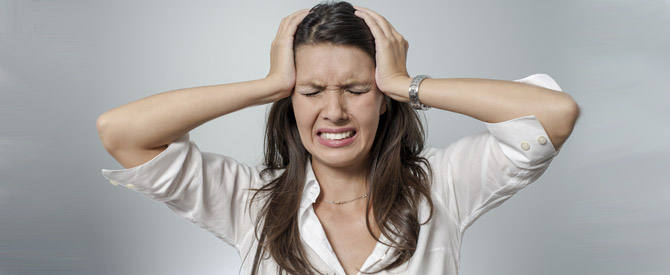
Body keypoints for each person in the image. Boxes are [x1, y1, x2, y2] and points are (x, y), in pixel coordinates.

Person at [97, 2, 579, 275]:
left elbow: (555, 115)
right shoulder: (250, 201)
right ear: (292, 98)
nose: (334, 111)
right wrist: (267, 86)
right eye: (310, 91)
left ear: (382, 97)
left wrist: (405, 84)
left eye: (357, 88)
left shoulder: (442, 186)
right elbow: (121, 132)